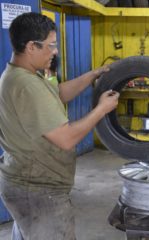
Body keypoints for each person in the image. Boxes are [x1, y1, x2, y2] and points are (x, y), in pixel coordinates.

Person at [0, 12, 119, 240]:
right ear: (31, 47)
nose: (55, 51)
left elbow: (59, 93)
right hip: (38, 192)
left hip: (24, 183)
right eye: (50, 45)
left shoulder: (21, 75)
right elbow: (66, 138)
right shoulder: (27, 85)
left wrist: (92, 75)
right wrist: (102, 109)